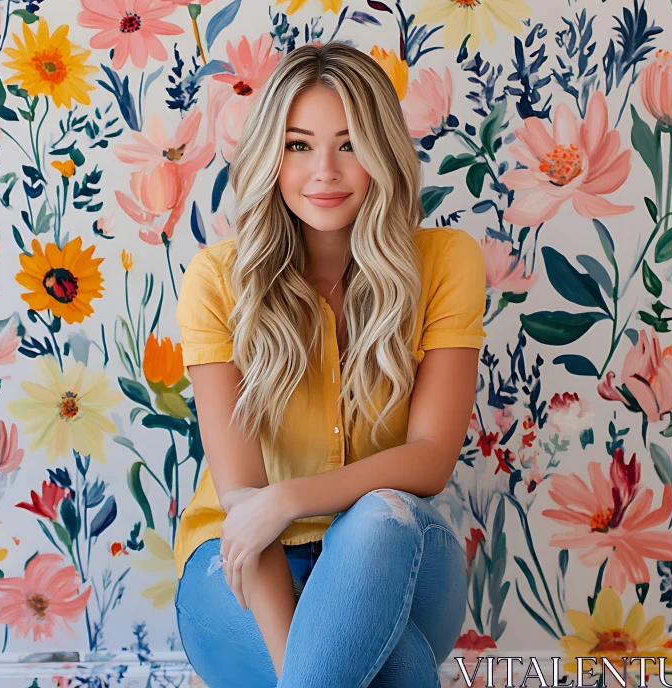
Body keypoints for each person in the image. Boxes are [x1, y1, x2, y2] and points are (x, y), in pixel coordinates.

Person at [174, 41, 486, 687]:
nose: (325, 171)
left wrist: (289, 498)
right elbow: (243, 507)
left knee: (379, 516)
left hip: (395, 551)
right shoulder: (217, 280)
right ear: (271, 156)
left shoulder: (445, 260)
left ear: (383, 152)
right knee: (390, 670)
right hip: (244, 559)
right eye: (298, 145)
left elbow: (429, 459)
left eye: (349, 143)